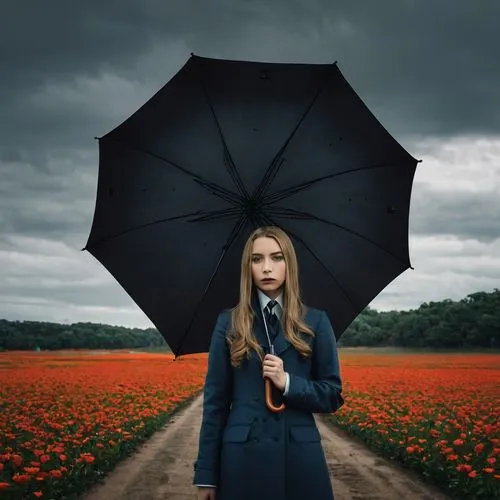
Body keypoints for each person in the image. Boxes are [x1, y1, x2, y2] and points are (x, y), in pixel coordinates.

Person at [193, 225, 344, 500]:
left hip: (300, 461)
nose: (266, 268)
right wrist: (206, 474)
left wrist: (287, 383)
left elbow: (332, 395)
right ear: (247, 267)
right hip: (242, 461)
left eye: (276, 258)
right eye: (256, 259)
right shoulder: (228, 323)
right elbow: (215, 403)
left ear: (290, 264)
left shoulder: (316, 322)